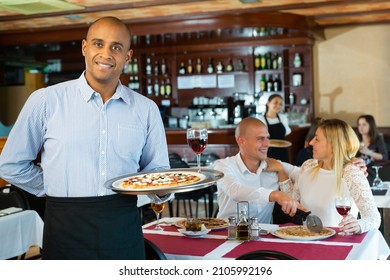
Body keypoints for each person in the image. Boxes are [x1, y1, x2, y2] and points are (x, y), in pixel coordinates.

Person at [0, 17, 170, 259]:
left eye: (116, 47)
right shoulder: (46, 101)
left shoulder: (146, 109)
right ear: (84, 47)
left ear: (128, 56)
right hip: (64, 226)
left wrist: (164, 189)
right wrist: (51, 185)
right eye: (98, 44)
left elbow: (158, 171)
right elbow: (10, 165)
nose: (106, 53)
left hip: (123, 226)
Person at [267, 118, 380, 234]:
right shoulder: (308, 166)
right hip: (307, 240)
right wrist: (281, 171)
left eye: (317, 139)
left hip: (338, 243)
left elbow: (374, 218)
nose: (311, 143)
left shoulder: (351, 173)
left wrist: (358, 225)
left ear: (333, 145)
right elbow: (294, 201)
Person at [214, 117, 303, 224]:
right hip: (227, 233)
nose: (267, 144)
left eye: (267, 138)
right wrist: (275, 195)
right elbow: (235, 190)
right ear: (241, 141)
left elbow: (306, 175)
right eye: (260, 139)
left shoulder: (275, 166)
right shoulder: (223, 165)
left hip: (263, 236)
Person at [257, 94, 291, 162]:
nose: (278, 106)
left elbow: (287, 131)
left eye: (280, 104)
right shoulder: (261, 119)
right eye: (275, 103)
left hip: (282, 151)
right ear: (268, 103)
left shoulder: (282, 117)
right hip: (267, 152)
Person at [356, 115, 388, 184]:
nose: (361, 127)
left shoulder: (377, 140)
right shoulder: (355, 141)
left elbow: (385, 157)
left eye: (364, 124)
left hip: (371, 171)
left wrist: (369, 152)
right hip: (357, 170)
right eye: (359, 125)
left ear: (370, 125)